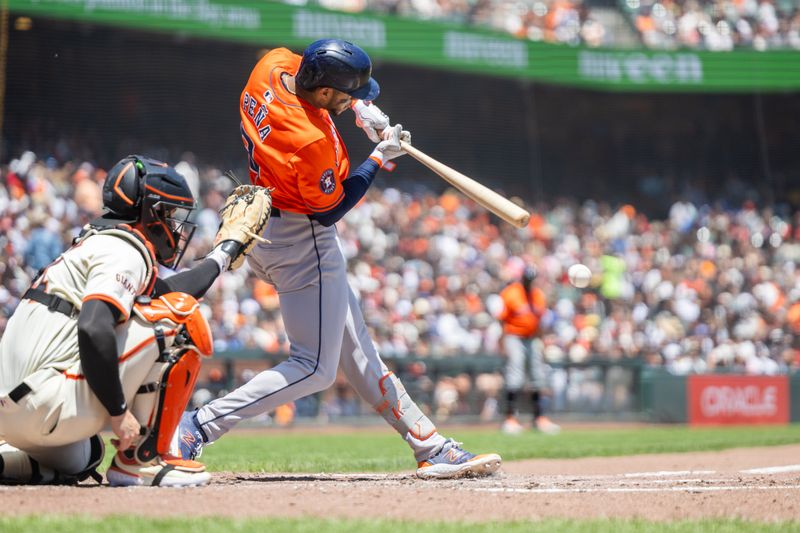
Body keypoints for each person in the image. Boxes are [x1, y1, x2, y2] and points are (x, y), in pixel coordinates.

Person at [176, 38, 502, 479]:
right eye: (347, 95)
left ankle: (429, 444)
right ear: (325, 92)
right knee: (314, 367)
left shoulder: (271, 66)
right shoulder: (309, 140)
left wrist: (359, 111)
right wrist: (380, 157)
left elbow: (302, 69)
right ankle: (197, 426)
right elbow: (331, 208)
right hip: (302, 238)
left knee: (360, 353)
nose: (353, 99)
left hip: (267, 224)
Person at [0, 155, 254, 486]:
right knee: (177, 316)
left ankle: (10, 458)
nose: (174, 226)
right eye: (169, 213)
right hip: (41, 404)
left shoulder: (99, 243)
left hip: (14, 414)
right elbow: (93, 327)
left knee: (85, 455)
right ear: (151, 211)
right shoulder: (126, 248)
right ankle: (140, 462)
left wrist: (224, 253)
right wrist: (119, 413)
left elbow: (164, 289)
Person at [495, 266, 560, 435]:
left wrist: (542, 341)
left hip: (532, 337)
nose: (528, 282)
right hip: (513, 336)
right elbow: (502, 320)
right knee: (515, 374)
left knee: (538, 375)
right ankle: (510, 419)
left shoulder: (537, 295)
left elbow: (539, 322)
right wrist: (501, 342)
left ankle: (539, 418)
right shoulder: (511, 293)